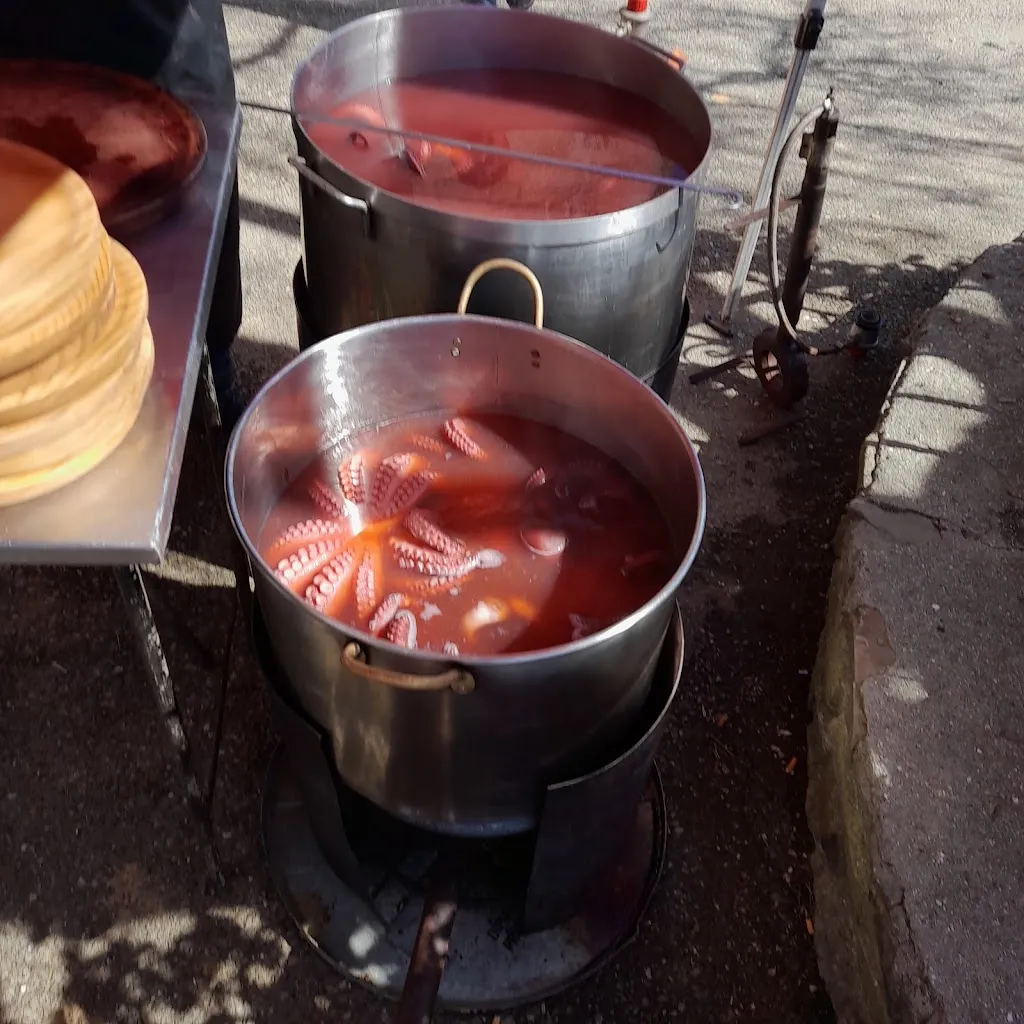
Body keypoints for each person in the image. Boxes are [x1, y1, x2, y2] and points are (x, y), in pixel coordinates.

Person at [0, 0, 246, 428]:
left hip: (158, 42)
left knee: (190, 228)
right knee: (36, 266)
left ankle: (219, 367)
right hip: (19, 59)